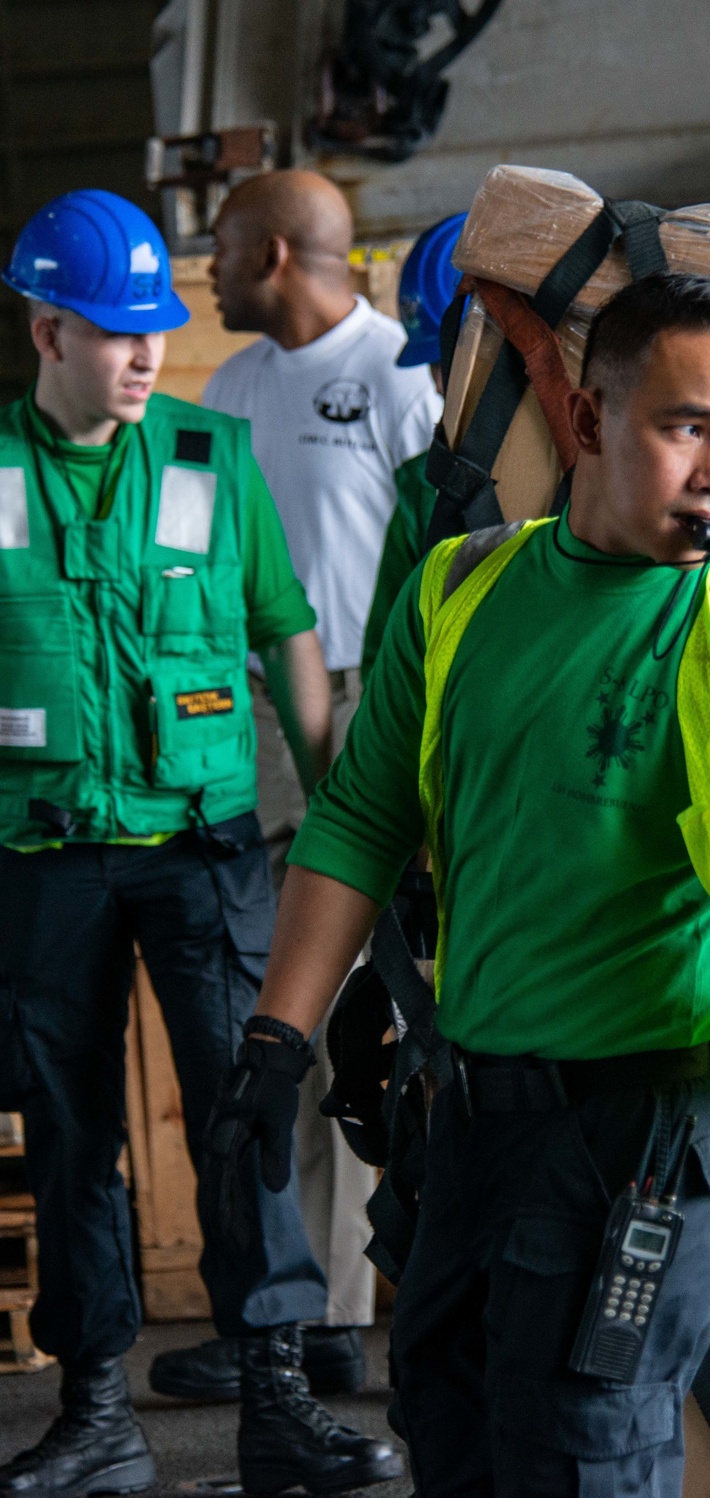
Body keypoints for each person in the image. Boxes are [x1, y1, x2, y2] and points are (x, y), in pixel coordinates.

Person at [203, 271, 710, 1496]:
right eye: (686, 426)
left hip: (645, 1139)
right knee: (453, 1428)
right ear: (584, 422)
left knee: (581, 1457)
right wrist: (277, 1039)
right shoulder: (460, 590)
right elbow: (362, 816)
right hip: (471, 1120)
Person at [0, 190, 401, 1497]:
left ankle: (278, 1396)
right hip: (44, 852)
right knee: (70, 1133)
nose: (144, 355)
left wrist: (344, 811)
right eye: (115, 333)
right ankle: (96, 1409)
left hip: (202, 846)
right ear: (46, 329)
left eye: (153, 332)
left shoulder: (205, 455)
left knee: (246, 1110)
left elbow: (289, 629)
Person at [155, 168, 441, 1403]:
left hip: (375, 696)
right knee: (282, 1015)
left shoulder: (396, 376)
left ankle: (398, 1294)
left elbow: (444, 548)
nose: (206, 276)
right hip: (251, 702)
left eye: (219, 252)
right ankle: (302, 1317)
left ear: (274, 253)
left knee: (396, 1003)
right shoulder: (230, 388)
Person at [360, 212, 466, 683]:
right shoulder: (425, 483)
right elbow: (386, 659)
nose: (438, 384)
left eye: (451, 357)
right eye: (431, 364)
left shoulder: (602, 480)